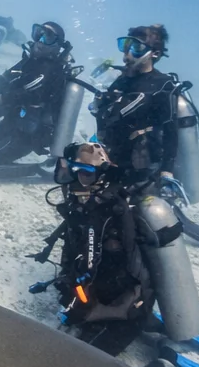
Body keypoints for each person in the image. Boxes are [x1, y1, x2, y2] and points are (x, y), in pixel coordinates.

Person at [31, 142, 156, 356]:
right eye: (71, 172)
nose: (74, 182)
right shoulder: (84, 209)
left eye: (86, 174)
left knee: (79, 361)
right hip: (104, 294)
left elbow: (89, 269)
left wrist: (72, 310)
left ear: (101, 177)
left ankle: (162, 357)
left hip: (128, 310)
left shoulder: (105, 213)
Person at [0, 20, 86, 181]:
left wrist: (2, 98)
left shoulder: (49, 70)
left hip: (25, 137)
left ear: (57, 46)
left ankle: (40, 170)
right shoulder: (31, 61)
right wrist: (0, 88)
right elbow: (7, 78)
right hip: (9, 126)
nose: (40, 41)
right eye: (39, 33)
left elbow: (31, 94)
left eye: (48, 37)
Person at [89, 23, 192, 200]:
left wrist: (166, 172)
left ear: (155, 53)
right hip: (113, 158)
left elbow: (170, 131)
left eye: (136, 48)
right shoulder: (122, 80)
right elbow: (107, 116)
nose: (127, 54)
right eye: (126, 46)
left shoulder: (163, 86)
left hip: (141, 170)